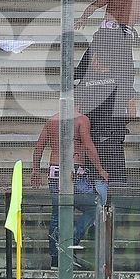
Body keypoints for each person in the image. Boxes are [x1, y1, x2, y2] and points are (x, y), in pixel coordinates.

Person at [31, 106, 106, 269]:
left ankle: (56, 259)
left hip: (54, 172)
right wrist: (100, 169)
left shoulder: (52, 120)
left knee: (57, 213)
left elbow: (39, 147)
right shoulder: (81, 119)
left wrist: (36, 170)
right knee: (96, 206)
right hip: (74, 172)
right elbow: (88, 146)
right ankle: (71, 241)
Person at [76, 29, 134, 186]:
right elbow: (132, 113)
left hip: (91, 139)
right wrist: (116, 123)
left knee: (92, 181)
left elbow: (77, 114)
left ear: (96, 60)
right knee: (115, 183)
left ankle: (96, 208)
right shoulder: (122, 79)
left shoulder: (85, 82)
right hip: (113, 138)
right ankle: (112, 208)